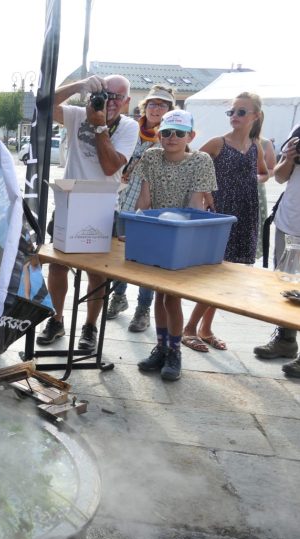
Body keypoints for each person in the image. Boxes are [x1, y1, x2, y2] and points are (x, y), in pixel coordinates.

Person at [36, 74, 138, 351]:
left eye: (117, 97)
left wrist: (100, 127)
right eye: (105, 93)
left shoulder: (129, 127)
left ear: (126, 101)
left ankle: (90, 327)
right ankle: (56, 320)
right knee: (57, 266)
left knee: (97, 273)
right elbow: (43, 105)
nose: (110, 101)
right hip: (70, 202)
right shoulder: (78, 114)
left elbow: (110, 167)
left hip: (104, 208)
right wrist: (79, 86)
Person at [132, 110, 217, 381]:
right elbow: (144, 200)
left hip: (182, 237)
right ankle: (161, 346)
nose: (172, 137)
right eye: (167, 132)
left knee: (173, 297)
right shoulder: (151, 157)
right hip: (156, 233)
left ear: (190, 136)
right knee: (159, 294)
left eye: (180, 133)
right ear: (159, 134)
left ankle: (174, 351)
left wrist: (186, 240)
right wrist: (134, 228)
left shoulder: (200, 161)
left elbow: (196, 205)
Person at [182, 92, 268, 353]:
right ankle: (189, 329)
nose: (234, 116)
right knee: (215, 274)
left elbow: (264, 172)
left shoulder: (256, 146)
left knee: (227, 277)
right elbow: (193, 164)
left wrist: (254, 180)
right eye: (231, 112)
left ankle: (205, 329)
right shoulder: (218, 143)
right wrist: (207, 194)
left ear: (255, 116)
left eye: (241, 112)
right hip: (220, 216)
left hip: (245, 213)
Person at [107, 85, 175, 331]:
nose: (157, 109)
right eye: (153, 104)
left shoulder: (171, 133)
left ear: (170, 110)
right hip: (122, 200)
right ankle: (118, 297)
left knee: (148, 260)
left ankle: (143, 309)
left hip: (151, 206)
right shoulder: (128, 127)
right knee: (119, 255)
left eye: (163, 105)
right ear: (144, 107)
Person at [253, 129, 300, 377]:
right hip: (290, 221)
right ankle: (286, 339)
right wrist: (290, 157)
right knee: (285, 286)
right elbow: (280, 177)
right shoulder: (298, 131)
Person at [254, 135, 277, 261]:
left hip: (256, 191)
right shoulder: (226, 140)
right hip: (230, 192)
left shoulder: (264, 143)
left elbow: (272, 169)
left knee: (252, 227)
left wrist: (258, 177)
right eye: (231, 113)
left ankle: (248, 260)